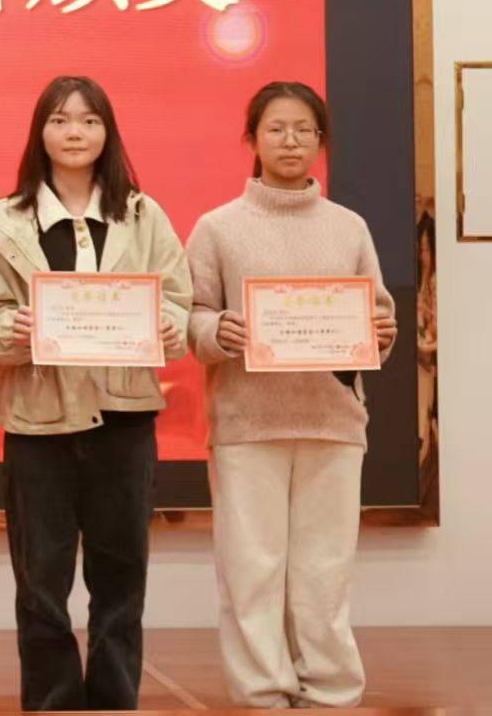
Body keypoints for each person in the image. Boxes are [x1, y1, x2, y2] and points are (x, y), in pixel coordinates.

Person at [0, 76, 193, 711]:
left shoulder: (144, 215)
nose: (75, 132)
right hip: (37, 420)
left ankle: (116, 699)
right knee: (40, 581)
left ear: (107, 133)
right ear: (40, 132)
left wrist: (169, 326)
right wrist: (6, 331)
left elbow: (177, 302)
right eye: (61, 120)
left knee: (121, 576)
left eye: (90, 121)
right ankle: (52, 701)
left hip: (123, 417)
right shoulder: (5, 221)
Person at [187, 82, 399, 709]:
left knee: (325, 568)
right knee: (251, 568)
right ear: (252, 139)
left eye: (304, 130)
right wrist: (215, 330)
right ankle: (261, 691)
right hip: (246, 421)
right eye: (276, 129)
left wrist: (380, 331)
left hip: (333, 420)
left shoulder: (349, 227)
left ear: (320, 140)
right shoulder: (217, 228)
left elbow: (378, 315)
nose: (291, 141)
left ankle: (332, 688)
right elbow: (190, 315)